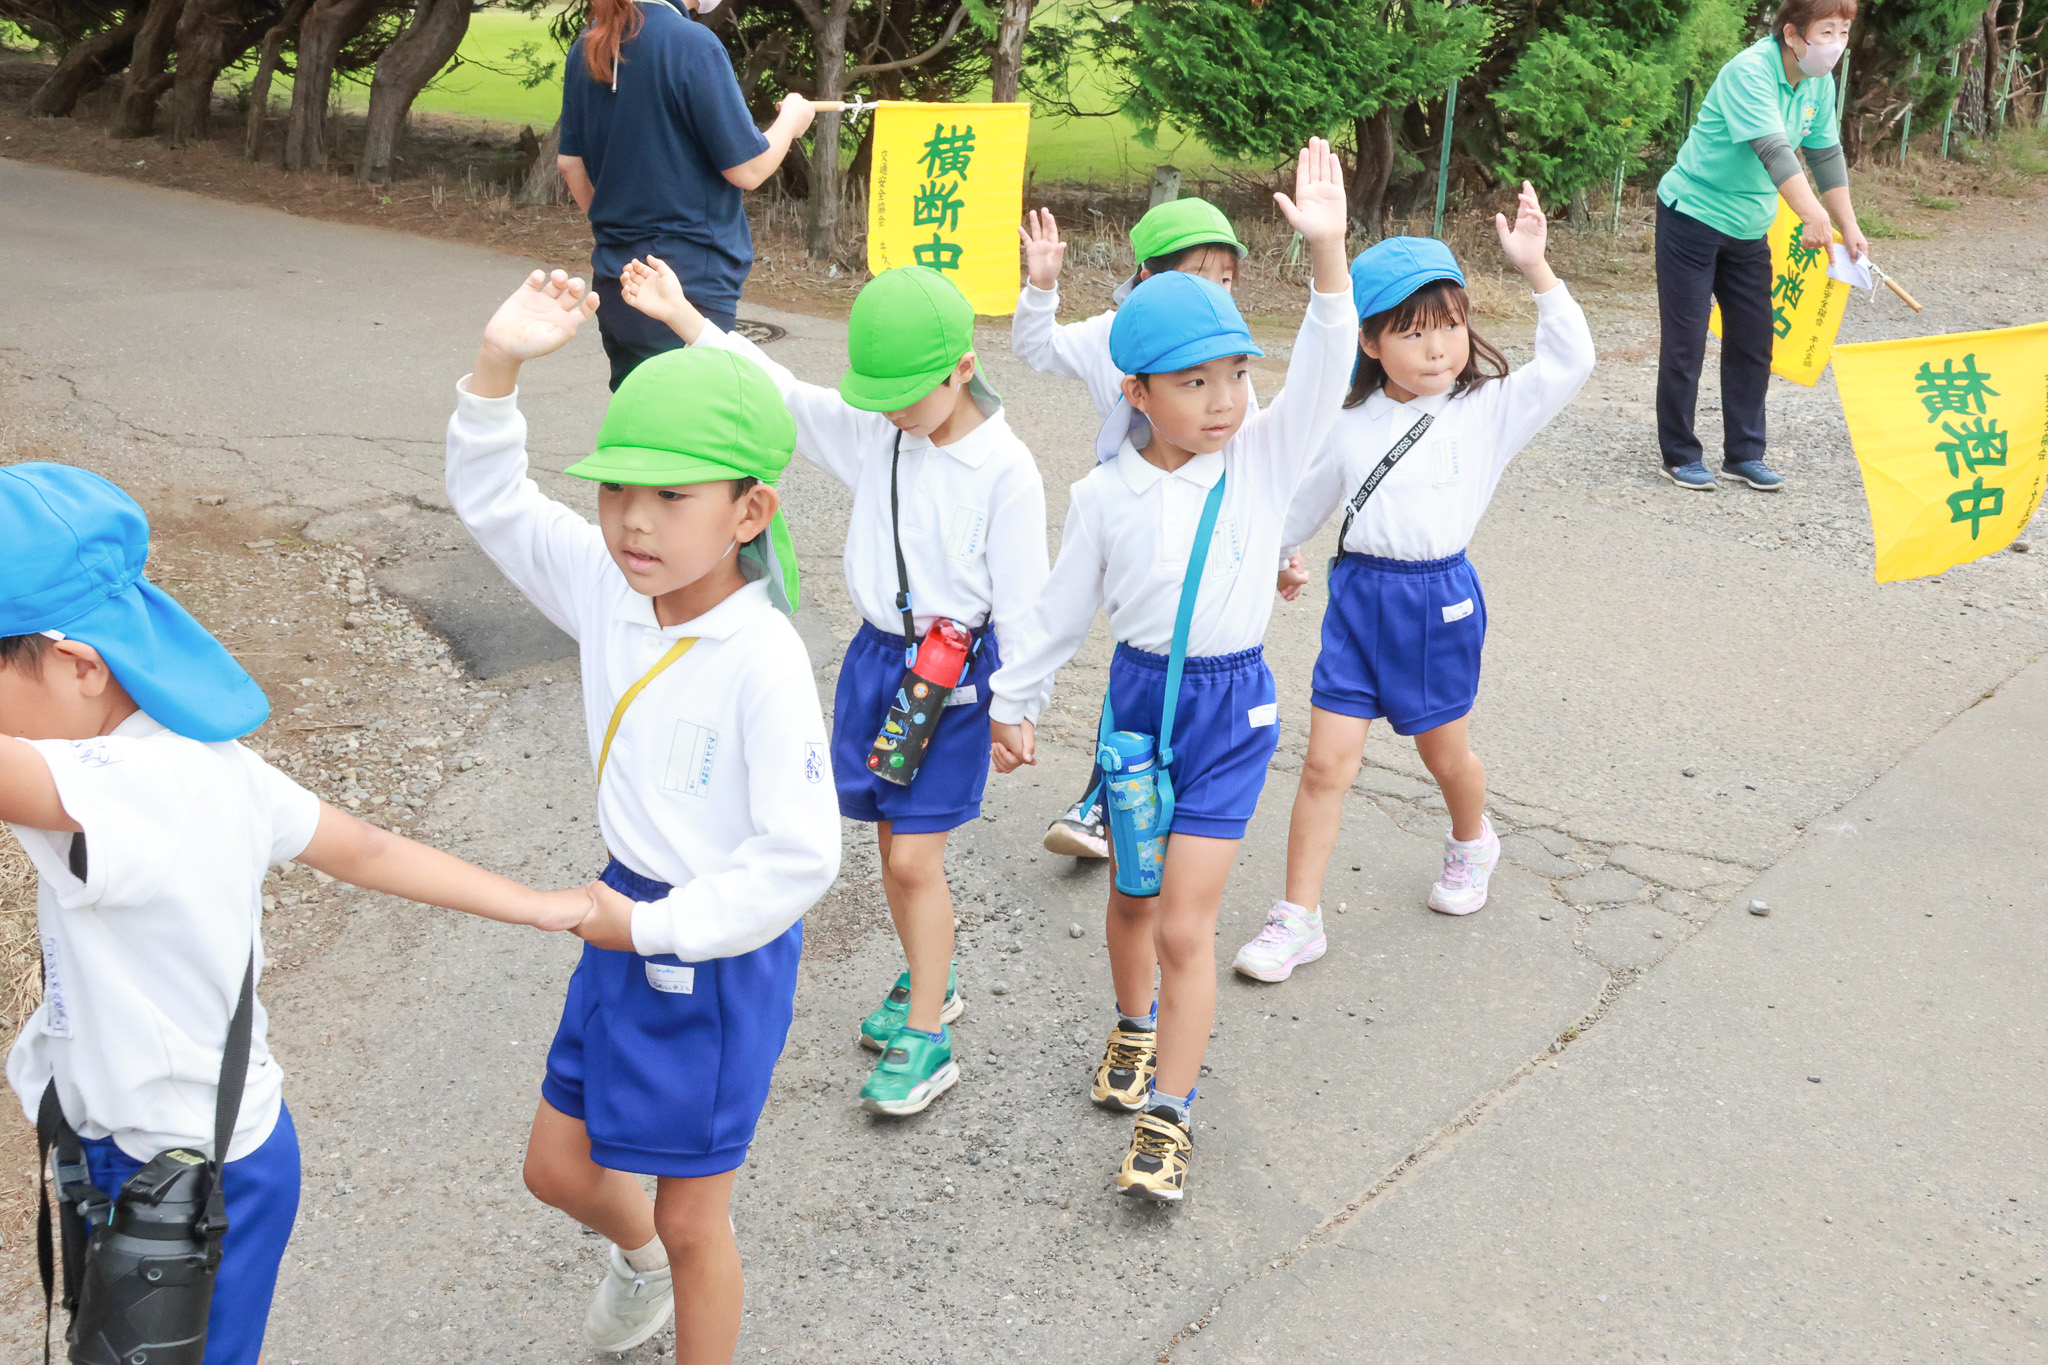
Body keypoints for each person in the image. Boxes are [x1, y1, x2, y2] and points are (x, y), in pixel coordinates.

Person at [1, 462, 594, 1365]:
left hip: (181, 1176)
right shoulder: (208, 758)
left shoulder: (126, 786)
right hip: (210, 1152)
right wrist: (535, 903)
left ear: (80, 665)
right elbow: (362, 845)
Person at [443, 270, 842, 1358]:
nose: (633, 520)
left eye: (673, 497)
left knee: (691, 1214)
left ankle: (667, 1270)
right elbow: (492, 502)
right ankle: (640, 1269)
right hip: (618, 914)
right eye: (619, 490)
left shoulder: (761, 658)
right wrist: (499, 365)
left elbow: (803, 856)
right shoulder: (607, 587)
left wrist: (653, 927)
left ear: (750, 510)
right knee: (555, 1168)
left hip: (708, 953)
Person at [986, 139, 1354, 1201]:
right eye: (1195, 383)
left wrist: (1326, 253)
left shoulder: (1262, 460)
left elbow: (1329, 357)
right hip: (1137, 705)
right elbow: (1059, 614)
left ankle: (1170, 1111)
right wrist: (1014, 704)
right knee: (1135, 903)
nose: (1226, 400)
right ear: (1136, 392)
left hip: (1231, 709)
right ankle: (1133, 1024)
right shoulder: (1104, 496)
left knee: (1187, 922)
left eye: (1237, 374)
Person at [620, 255, 1050, 1122]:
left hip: (954, 678)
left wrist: (1018, 706)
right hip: (876, 664)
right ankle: (935, 971)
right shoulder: (878, 431)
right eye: (877, 392)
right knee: (892, 848)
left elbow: (1027, 600)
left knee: (911, 856)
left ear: (963, 369)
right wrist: (684, 317)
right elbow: (776, 387)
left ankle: (926, 1033)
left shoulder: (1007, 471)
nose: (889, 409)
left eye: (905, 392)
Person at [1232, 188, 1596, 984]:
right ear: (1367, 340)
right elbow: (1300, 505)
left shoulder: (1490, 407)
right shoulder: (1344, 420)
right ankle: (1298, 915)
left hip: (1440, 604)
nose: (1438, 349)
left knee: (1445, 753)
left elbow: (1572, 362)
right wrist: (1280, 552)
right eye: (1412, 332)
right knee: (1326, 763)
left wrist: (1536, 269)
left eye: (1452, 327)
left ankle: (1474, 839)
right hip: (1359, 599)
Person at [1014, 198, 1302, 860]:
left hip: (1200, 527)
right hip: (1130, 512)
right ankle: (1111, 801)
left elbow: (1255, 471)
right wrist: (1042, 286)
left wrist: (1278, 550)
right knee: (1139, 666)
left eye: (1228, 279)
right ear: (1148, 274)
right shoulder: (1108, 335)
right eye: (1202, 276)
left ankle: (1111, 808)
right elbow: (1035, 346)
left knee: (1172, 658)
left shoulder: (1227, 363)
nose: (1218, 293)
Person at [1654, 0, 1867, 492]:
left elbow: (1825, 152)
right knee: (1686, 341)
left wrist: (1848, 225)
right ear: (1793, 35)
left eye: (1843, 31)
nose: (1836, 44)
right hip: (1693, 215)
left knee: (1754, 338)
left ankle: (1745, 453)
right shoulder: (1750, 71)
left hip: (1750, 227)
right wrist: (1811, 214)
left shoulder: (1817, 82)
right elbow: (1773, 149)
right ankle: (1680, 454)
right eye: (1826, 31)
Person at [556, 0, 815, 390]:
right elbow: (748, 168)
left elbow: (569, 163)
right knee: (686, 430)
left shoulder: (589, 43)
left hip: (615, 277)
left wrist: (619, 226)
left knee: (639, 422)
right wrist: (791, 119)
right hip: (686, 286)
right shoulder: (692, 44)